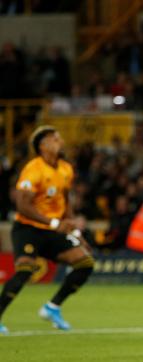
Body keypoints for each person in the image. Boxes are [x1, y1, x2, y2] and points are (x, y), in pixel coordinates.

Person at [0, 126, 95, 334]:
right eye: (55, 139)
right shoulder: (33, 169)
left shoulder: (65, 169)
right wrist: (53, 223)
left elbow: (65, 200)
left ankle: (52, 308)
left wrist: (75, 232)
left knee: (85, 262)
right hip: (28, 229)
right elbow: (23, 205)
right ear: (43, 146)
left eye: (59, 137)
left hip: (53, 230)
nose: (60, 141)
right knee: (25, 270)